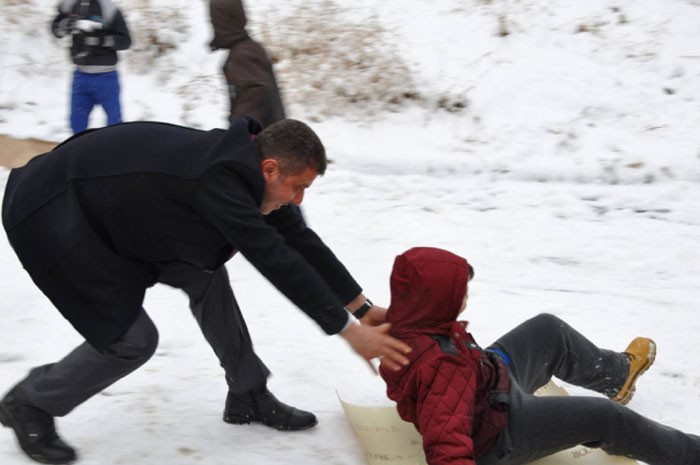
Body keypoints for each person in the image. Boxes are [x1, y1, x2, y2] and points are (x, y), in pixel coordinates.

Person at [0, 116, 411, 465]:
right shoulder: (223, 181)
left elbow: (299, 241)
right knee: (132, 341)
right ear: (270, 168)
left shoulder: (250, 172)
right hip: (54, 215)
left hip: (121, 212)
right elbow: (272, 257)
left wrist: (362, 309)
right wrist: (349, 332)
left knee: (206, 271)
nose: (298, 199)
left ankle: (247, 391)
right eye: (298, 187)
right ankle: (31, 402)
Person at [379, 246, 700, 465]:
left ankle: (617, 376)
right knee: (604, 418)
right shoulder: (445, 367)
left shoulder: (410, 323)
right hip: (500, 432)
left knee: (548, 330)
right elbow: (447, 443)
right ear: (437, 301)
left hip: (489, 385)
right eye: (460, 293)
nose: (465, 298)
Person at [51, 0, 132, 134]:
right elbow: (56, 30)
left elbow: (126, 41)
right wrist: (65, 25)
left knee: (115, 126)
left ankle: (115, 153)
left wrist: (101, 40)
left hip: (107, 77)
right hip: (81, 76)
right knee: (76, 124)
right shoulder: (70, 4)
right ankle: (78, 153)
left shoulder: (109, 8)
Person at [209, 0, 286, 127]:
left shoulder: (243, 55)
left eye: (214, 20)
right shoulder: (244, 50)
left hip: (263, 140)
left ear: (225, 21)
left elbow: (257, 92)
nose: (212, 24)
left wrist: (238, 130)